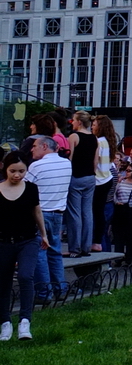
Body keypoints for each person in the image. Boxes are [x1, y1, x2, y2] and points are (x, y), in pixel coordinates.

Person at [0, 151, 49, 342]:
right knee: (3, 282)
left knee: (25, 275)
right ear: (5, 169)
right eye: (13, 171)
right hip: (4, 242)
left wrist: (43, 234)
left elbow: (37, 211)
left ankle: (25, 321)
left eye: (21, 171)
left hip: (28, 240)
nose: (17, 175)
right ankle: (5, 322)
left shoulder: (31, 189)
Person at [27, 136, 71, 300]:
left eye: (34, 146)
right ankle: (60, 288)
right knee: (54, 251)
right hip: (58, 212)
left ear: (44, 146)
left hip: (41, 213)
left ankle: (44, 292)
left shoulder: (36, 166)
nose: (32, 149)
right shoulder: (67, 164)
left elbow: (25, 186)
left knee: (40, 252)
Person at [65, 110, 98, 257]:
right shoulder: (94, 138)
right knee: (87, 212)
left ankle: (75, 248)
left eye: (73, 120)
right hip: (90, 177)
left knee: (74, 213)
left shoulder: (74, 136)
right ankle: (86, 246)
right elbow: (95, 160)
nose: (72, 122)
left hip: (76, 176)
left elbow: (69, 158)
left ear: (79, 122)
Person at [91, 115, 118, 252]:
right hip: (105, 178)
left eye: (94, 125)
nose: (92, 127)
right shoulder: (107, 141)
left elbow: (95, 161)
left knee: (96, 213)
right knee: (99, 212)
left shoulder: (98, 142)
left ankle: (96, 241)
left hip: (99, 180)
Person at [111, 161, 132, 264]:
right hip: (120, 209)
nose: (126, 172)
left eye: (129, 171)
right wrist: (116, 201)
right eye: (126, 170)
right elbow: (114, 193)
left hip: (131, 211)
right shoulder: (121, 182)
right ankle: (118, 258)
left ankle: (129, 258)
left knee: (130, 235)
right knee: (118, 235)